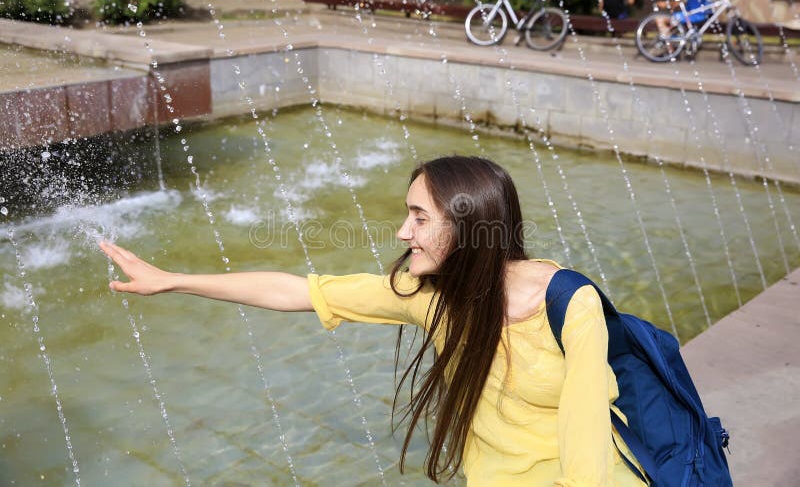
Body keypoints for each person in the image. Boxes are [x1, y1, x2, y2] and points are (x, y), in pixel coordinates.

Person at [99, 155, 646, 486]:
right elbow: (296, 291)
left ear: (466, 225)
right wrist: (173, 280)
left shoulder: (570, 303)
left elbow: (585, 428)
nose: (402, 233)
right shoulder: (427, 297)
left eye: (419, 217)